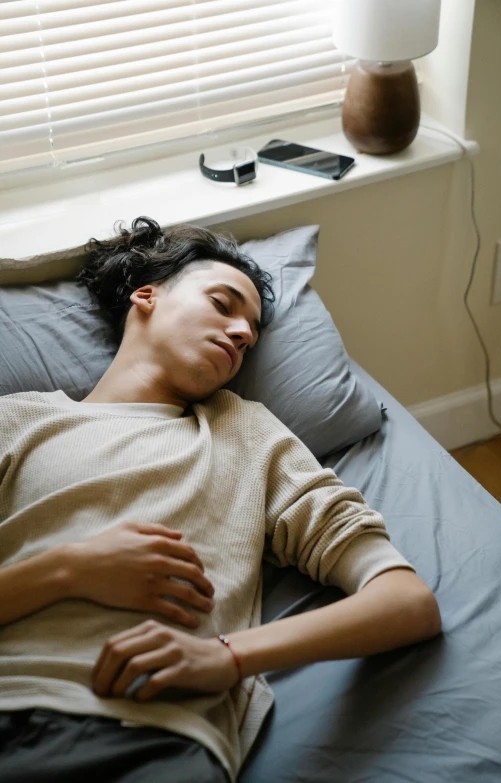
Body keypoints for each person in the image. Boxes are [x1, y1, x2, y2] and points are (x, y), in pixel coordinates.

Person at [0, 217, 441, 783]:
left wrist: (227, 657)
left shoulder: (245, 434)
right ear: (147, 295)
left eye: (252, 331)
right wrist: (68, 570)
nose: (242, 335)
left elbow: (406, 602)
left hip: (149, 739)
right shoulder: (18, 421)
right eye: (223, 304)